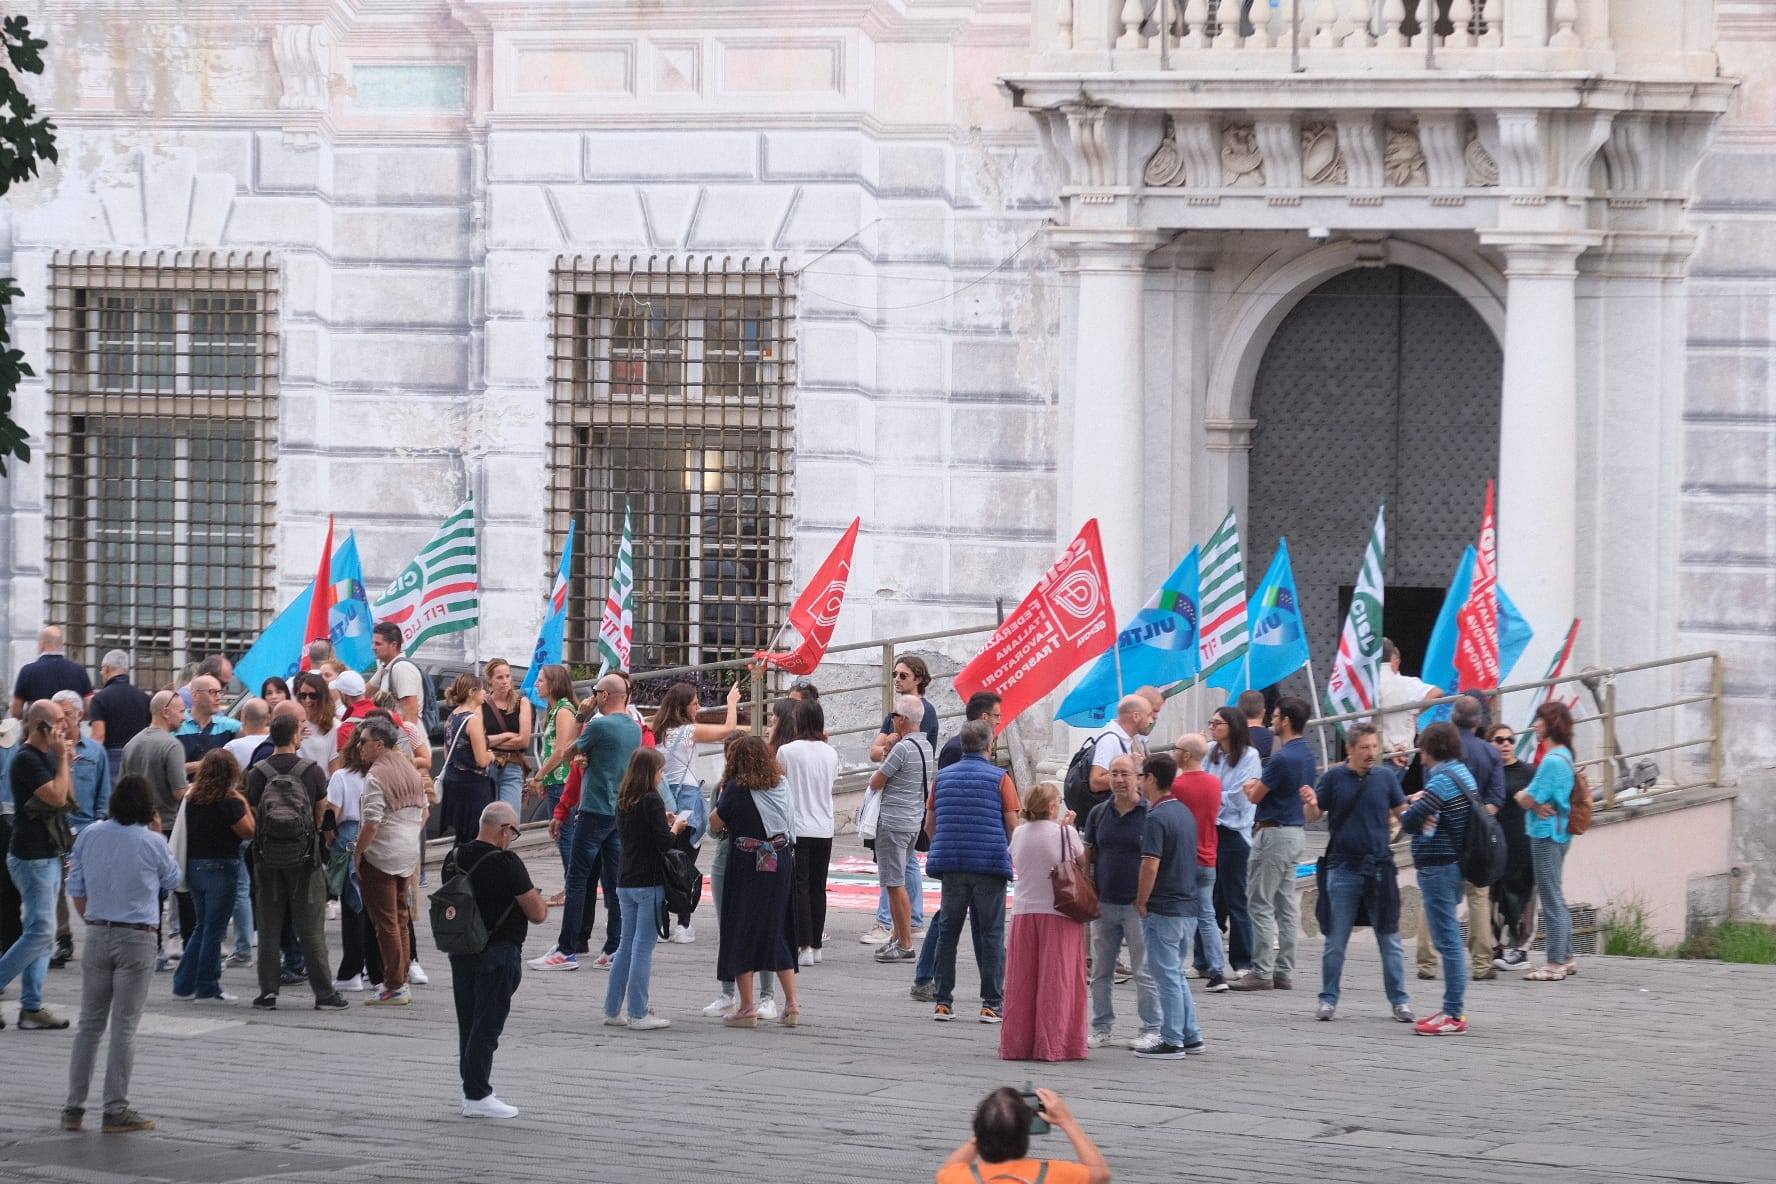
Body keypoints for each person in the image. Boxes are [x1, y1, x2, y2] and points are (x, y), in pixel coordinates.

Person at [61, 773, 180, 1134]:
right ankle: (115, 1108)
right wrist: (158, 833)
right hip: (137, 935)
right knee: (124, 1026)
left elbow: (76, 886)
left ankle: (73, 1107)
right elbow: (173, 880)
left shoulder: (90, 834)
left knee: (89, 1024)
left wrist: (93, 918)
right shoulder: (152, 841)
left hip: (99, 931)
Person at [1301, 723, 1413, 1023]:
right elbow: (1314, 814)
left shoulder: (1386, 777)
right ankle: (1328, 999)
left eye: (1374, 747)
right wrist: (1310, 804)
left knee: (1390, 939)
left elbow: (1403, 813)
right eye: (1364, 747)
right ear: (1350, 749)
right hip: (1342, 867)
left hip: (1379, 868)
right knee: (1335, 940)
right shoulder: (1334, 778)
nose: (1371, 753)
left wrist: (1417, 814)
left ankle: (1400, 1001)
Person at [534, 673, 640, 972]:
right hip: (618, 810)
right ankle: (613, 947)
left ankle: (566, 949)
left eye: (595, 691)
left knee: (577, 879)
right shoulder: (633, 727)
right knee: (614, 882)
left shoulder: (599, 725)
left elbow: (566, 752)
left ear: (603, 696)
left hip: (594, 809)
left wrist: (581, 716)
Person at [244, 710, 348, 1012]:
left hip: (267, 858)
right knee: (311, 928)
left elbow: (255, 812)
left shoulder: (258, 772)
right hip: (305, 859)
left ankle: (267, 993)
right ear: (293, 736)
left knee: (269, 926)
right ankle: (324, 994)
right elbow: (321, 813)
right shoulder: (311, 771)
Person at [450, 801, 546, 1119]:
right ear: (504, 830)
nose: (513, 839)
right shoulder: (507, 862)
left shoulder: (455, 857)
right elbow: (537, 913)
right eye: (514, 832)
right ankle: (477, 1094)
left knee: (468, 1023)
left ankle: (472, 1089)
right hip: (499, 951)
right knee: (487, 1025)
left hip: (462, 949)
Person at [925, 719, 1016, 1025]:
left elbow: (930, 825)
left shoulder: (942, 778)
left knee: (948, 932)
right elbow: (1012, 825)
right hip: (989, 864)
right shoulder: (1001, 779)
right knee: (991, 933)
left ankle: (943, 1001)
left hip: (952, 865)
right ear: (989, 746)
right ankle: (991, 1003)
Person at [710, 734, 802, 1027]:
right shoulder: (781, 784)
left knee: (740, 928)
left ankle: (747, 1008)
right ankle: (792, 1004)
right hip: (780, 858)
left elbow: (715, 823)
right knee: (778, 927)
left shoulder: (737, 789)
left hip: (747, 863)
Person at [1417, 694, 1507, 982]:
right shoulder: (1490, 753)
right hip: (1476, 838)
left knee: (1434, 897)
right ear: (1479, 721)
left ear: (1453, 717)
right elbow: (1496, 799)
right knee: (1478, 897)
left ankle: (1427, 962)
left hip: (1442, 834)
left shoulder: (1438, 749)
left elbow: (1429, 793)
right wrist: (1477, 819)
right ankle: (1481, 963)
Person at [1230, 696, 1315, 993]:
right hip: (1295, 831)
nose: (1272, 722)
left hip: (1273, 831)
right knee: (1285, 905)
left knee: (1260, 902)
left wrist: (1250, 787)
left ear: (1286, 721)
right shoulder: (1307, 754)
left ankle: (1262, 970)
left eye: (1276, 717)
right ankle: (1283, 970)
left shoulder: (1282, 758)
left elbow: (1256, 795)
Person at [648, 678, 742, 942]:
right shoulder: (688, 731)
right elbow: (728, 730)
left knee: (664, 862)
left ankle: (661, 923)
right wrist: (731, 703)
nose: (698, 708)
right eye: (694, 703)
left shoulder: (657, 733)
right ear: (683, 707)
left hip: (663, 801)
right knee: (685, 864)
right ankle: (683, 924)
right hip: (688, 801)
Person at [0, 700, 74, 1030]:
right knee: (42, 931)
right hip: (31, 857)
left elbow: (67, 796)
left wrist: (63, 760)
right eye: (59, 720)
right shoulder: (26, 759)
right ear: (40, 725)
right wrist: (62, 759)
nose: (65, 725)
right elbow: (56, 797)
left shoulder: (48, 756)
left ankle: (31, 1008)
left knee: (40, 933)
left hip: (48, 853)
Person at [1000, 782, 1087, 1062]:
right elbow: (1082, 862)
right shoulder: (1065, 833)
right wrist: (1067, 828)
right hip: (1059, 911)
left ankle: (1018, 1043)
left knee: (1022, 981)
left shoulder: (1019, 833)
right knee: (1057, 980)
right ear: (1051, 806)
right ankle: (1056, 1043)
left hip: (1024, 911)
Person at [1400, 721, 1476, 1035]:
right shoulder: (1462, 773)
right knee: (1449, 937)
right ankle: (1451, 1009)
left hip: (1438, 866)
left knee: (1448, 940)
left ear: (1431, 748)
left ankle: (1453, 1014)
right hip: (1455, 863)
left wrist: (1409, 808)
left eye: (1422, 747)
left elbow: (1411, 822)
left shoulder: (1441, 780)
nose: (1420, 753)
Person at [605, 749, 690, 1030]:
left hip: (625, 880)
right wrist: (675, 827)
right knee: (643, 947)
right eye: (661, 771)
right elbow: (665, 843)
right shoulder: (652, 799)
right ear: (651, 773)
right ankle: (638, 1012)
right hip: (648, 881)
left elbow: (639, 833)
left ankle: (612, 1009)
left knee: (626, 945)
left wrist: (662, 821)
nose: (662, 776)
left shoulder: (624, 799)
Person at [1131, 752, 1206, 1059]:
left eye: (1141, 776)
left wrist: (1141, 900)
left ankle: (1172, 1038)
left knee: (1165, 975)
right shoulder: (1184, 813)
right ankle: (1190, 1034)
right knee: (1175, 972)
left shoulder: (1156, 817)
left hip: (1164, 906)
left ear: (1150, 778)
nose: (1139, 782)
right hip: (1187, 904)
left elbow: (1150, 864)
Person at [862, 656, 939, 944]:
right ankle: (912, 922)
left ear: (918, 678)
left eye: (903, 675)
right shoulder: (898, 714)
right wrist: (886, 746)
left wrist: (888, 747)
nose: (896, 679)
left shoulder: (919, 716)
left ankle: (890, 924)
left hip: (900, 808)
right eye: (895, 674)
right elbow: (874, 751)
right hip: (907, 807)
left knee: (893, 875)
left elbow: (879, 773)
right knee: (905, 866)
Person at [1082, 753, 1156, 1048]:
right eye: (1114, 773)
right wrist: (1088, 887)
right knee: (1101, 970)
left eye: (1125, 773)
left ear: (1138, 778)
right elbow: (1088, 853)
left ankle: (1151, 1027)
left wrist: (1147, 899)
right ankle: (1101, 1026)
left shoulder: (1149, 814)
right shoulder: (1099, 813)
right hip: (1104, 902)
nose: (1118, 779)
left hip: (1138, 905)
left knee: (1143, 970)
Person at [353, 716, 428, 1006]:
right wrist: (407, 834)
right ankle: (400, 979)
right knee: (400, 918)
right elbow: (424, 812)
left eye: (363, 741)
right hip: (408, 851)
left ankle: (395, 985)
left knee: (386, 922)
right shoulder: (410, 769)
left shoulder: (376, 774)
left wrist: (358, 852)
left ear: (379, 744)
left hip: (382, 854)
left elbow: (371, 822)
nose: (358, 746)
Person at [171, 750, 253, 1003]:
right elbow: (249, 831)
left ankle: (184, 984)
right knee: (214, 929)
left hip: (195, 866)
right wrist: (244, 801)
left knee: (203, 925)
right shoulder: (229, 800)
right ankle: (207, 986)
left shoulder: (192, 797)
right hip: (222, 866)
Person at [121, 690, 192, 959]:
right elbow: (179, 792)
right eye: (181, 711)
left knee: (148, 893)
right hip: (169, 826)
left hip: (136, 827)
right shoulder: (172, 745)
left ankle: (152, 948)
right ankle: (189, 947)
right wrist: (201, 789)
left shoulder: (131, 744)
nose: (184, 716)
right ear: (165, 711)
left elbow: (123, 787)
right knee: (181, 889)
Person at [1197, 707, 1260, 979]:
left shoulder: (1249, 755)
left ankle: (1242, 960)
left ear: (1232, 726)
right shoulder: (1210, 752)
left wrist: (1212, 796)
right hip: (1211, 828)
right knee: (1208, 897)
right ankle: (1202, 960)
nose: (1213, 727)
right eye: (1211, 722)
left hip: (1235, 831)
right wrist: (1214, 796)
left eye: (1218, 723)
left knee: (1236, 897)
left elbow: (1240, 797)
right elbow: (1200, 783)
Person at [935, 1087, 1111, 1184]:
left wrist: (988, 1128)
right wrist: (1067, 1121)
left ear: (979, 1133)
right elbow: (1100, 1174)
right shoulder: (1055, 1174)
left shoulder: (958, 1178)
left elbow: (946, 1171)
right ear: (1027, 1132)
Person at [1519, 701, 1579, 982]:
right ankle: (1566, 956)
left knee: (1550, 896)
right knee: (1556, 892)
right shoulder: (1566, 755)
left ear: (1550, 723)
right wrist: (1533, 802)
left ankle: (1555, 962)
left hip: (1546, 834)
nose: (1535, 725)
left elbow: (1528, 798)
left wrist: (1522, 797)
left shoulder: (1552, 761)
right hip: (1560, 830)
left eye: (1539, 720)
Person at [52, 689, 111, 968]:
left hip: (86, 828)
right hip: (55, 828)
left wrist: (100, 820)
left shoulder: (95, 751)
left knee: (90, 886)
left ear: (79, 715)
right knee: (56, 887)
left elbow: (104, 792)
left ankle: (98, 935)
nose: (61, 721)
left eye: (66, 714)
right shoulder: (48, 750)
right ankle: (63, 937)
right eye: (56, 715)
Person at [778, 697, 839, 967]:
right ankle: (816, 943)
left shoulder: (787, 751)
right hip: (824, 826)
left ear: (798, 721)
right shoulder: (830, 753)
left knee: (799, 886)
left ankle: (803, 945)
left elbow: (780, 785)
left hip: (797, 827)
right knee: (818, 887)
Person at [1167, 734, 1228, 992]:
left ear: (1186, 755)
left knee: (1179, 914)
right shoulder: (1215, 783)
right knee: (1207, 915)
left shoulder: (1177, 786)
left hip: (1183, 859)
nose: (1173, 752)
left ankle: (1176, 965)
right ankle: (1217, 970)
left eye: (1176, 748)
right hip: (1208, 855)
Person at [326, 732, 376, 994]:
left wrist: (328, 839)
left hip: (348, 839)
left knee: (353, 908)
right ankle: (377, 970)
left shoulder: (342, 777)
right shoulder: (381, 776)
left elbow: (330, 816)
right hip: (379, 837)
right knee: (376, 907)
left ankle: (351, 970)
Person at [527, 664, 582, 888]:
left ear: (553, 684)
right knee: (563, 834)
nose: (537, 684)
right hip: (556, 780)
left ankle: (573, 885)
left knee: (564, 833)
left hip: (562, 780)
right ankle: (573, 884)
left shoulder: (563, 711)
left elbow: (561, 751)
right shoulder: (556, 709)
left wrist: (539, 775)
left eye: (541, 680)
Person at [1490, 723, 1538, 971]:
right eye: (1499, 740)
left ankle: (1522, 949)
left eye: (1510, 740)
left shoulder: (1528, 771)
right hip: (1495, 845)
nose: (1506, 744)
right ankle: (1496, 947)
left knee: (1525, 898)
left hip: (1523, 843)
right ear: (1490, 744)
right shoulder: (1488, 773)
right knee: (1495, 900)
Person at [439, 674, 495, 850]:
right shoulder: (473, 720)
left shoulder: (452, 717)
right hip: (473, 786)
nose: (485, 693)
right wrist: (491, 756)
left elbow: (446, 753)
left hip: (454, 782)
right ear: (472, 692)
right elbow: (481, 760)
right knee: (476, 836)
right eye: (482, 689)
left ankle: (457, 864)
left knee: (461, 836)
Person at [1376, 638, 1442, 765]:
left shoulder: (1408, 683)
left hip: (1393, 752)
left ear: (1397, 662)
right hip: (1394, 750)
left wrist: (1416, 712)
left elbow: (1436, 692)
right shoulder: (1385, 682)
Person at [88, 650, 150, 786]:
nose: (101, 673)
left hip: (112, 760)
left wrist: (89, 760)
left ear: (107, 668)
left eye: (102, 670)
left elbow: (98, 735)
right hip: (140, 757)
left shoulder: (100, 698)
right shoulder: (144, 697)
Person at [480, 659, 532, 814]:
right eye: (499, 677)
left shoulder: (521, 702)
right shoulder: (482, 704)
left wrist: (490, 742)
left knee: (510, 817)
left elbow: (523, 741)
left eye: (507, 676)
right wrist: (507, 736)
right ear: (490, 680)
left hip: (512, 764)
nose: (505, 681)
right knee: (488, 818)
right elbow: (478, 741)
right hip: (487, 765)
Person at [11, 626, 92, 718]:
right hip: (69, 725)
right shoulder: (79, 671)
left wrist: (28, 721)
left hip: (39, 725)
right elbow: (89, 706)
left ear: (41, 645)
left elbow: (16, 710)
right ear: (62, 645)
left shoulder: (27, 671)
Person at [176, 675, 242, 776]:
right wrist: (209, 764)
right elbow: (169, 768)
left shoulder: (229, 726)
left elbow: (255, 731)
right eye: (212, 692)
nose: (218, 697)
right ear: (195, 695)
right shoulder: (176, 726)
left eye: (220, 692)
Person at [366, 622, 423, 724]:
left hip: (402, 733)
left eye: (378, 644)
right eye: (373, 643)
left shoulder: (402, 668)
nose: (373, 647)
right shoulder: (385, 667)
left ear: (393, 645)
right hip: (391, 731)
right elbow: (365, 694)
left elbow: (411, 711)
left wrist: (404, 735)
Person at [292, 671, 340, 768]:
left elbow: (334, 765)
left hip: (322, 776)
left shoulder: (335, 726)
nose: (307, 700)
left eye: (313, 696)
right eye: (303, 695)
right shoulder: (293, 723)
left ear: (322, 697)